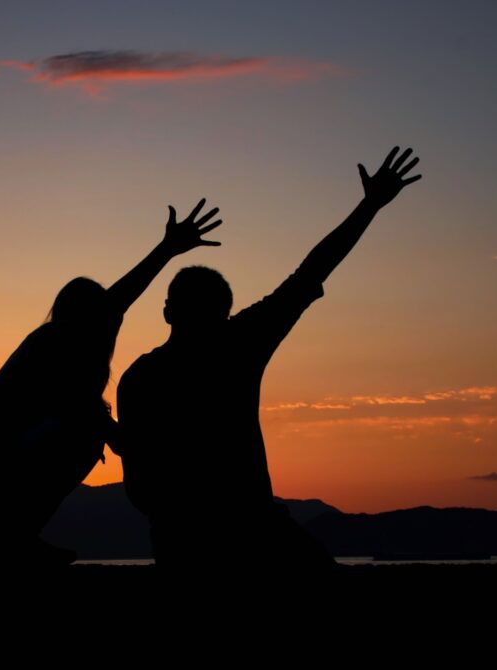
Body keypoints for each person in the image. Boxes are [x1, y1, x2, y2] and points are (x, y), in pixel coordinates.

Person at [115, 147, 422, 567]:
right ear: (225, 312)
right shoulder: (238, 343)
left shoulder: (141, 377)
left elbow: (140, 487)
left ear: (168, 312)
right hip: (250, 530)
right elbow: (311, 272)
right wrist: (368, 206)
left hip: (184, 538)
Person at [0, 199, 223, 565]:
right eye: (100, 314)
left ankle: (5, 540)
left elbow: (114, 307)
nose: (109, 321)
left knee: (85, 429)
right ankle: (10, 539)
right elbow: (116, 305)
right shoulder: (53, 344)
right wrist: (166, 250)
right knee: (85, 434)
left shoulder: (57, 355)